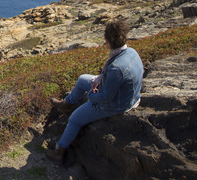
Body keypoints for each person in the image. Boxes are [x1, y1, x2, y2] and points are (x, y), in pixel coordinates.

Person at [46, 18, 143, 163]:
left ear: (107, 41)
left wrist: (91, 94)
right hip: (127, 94)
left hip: (117, 104)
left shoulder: (117, 68)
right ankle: (67, 103)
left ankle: (59, 152)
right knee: (82, 79)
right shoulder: (131, 52)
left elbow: (105, 98)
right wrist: (100, 78)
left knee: (74, 119)